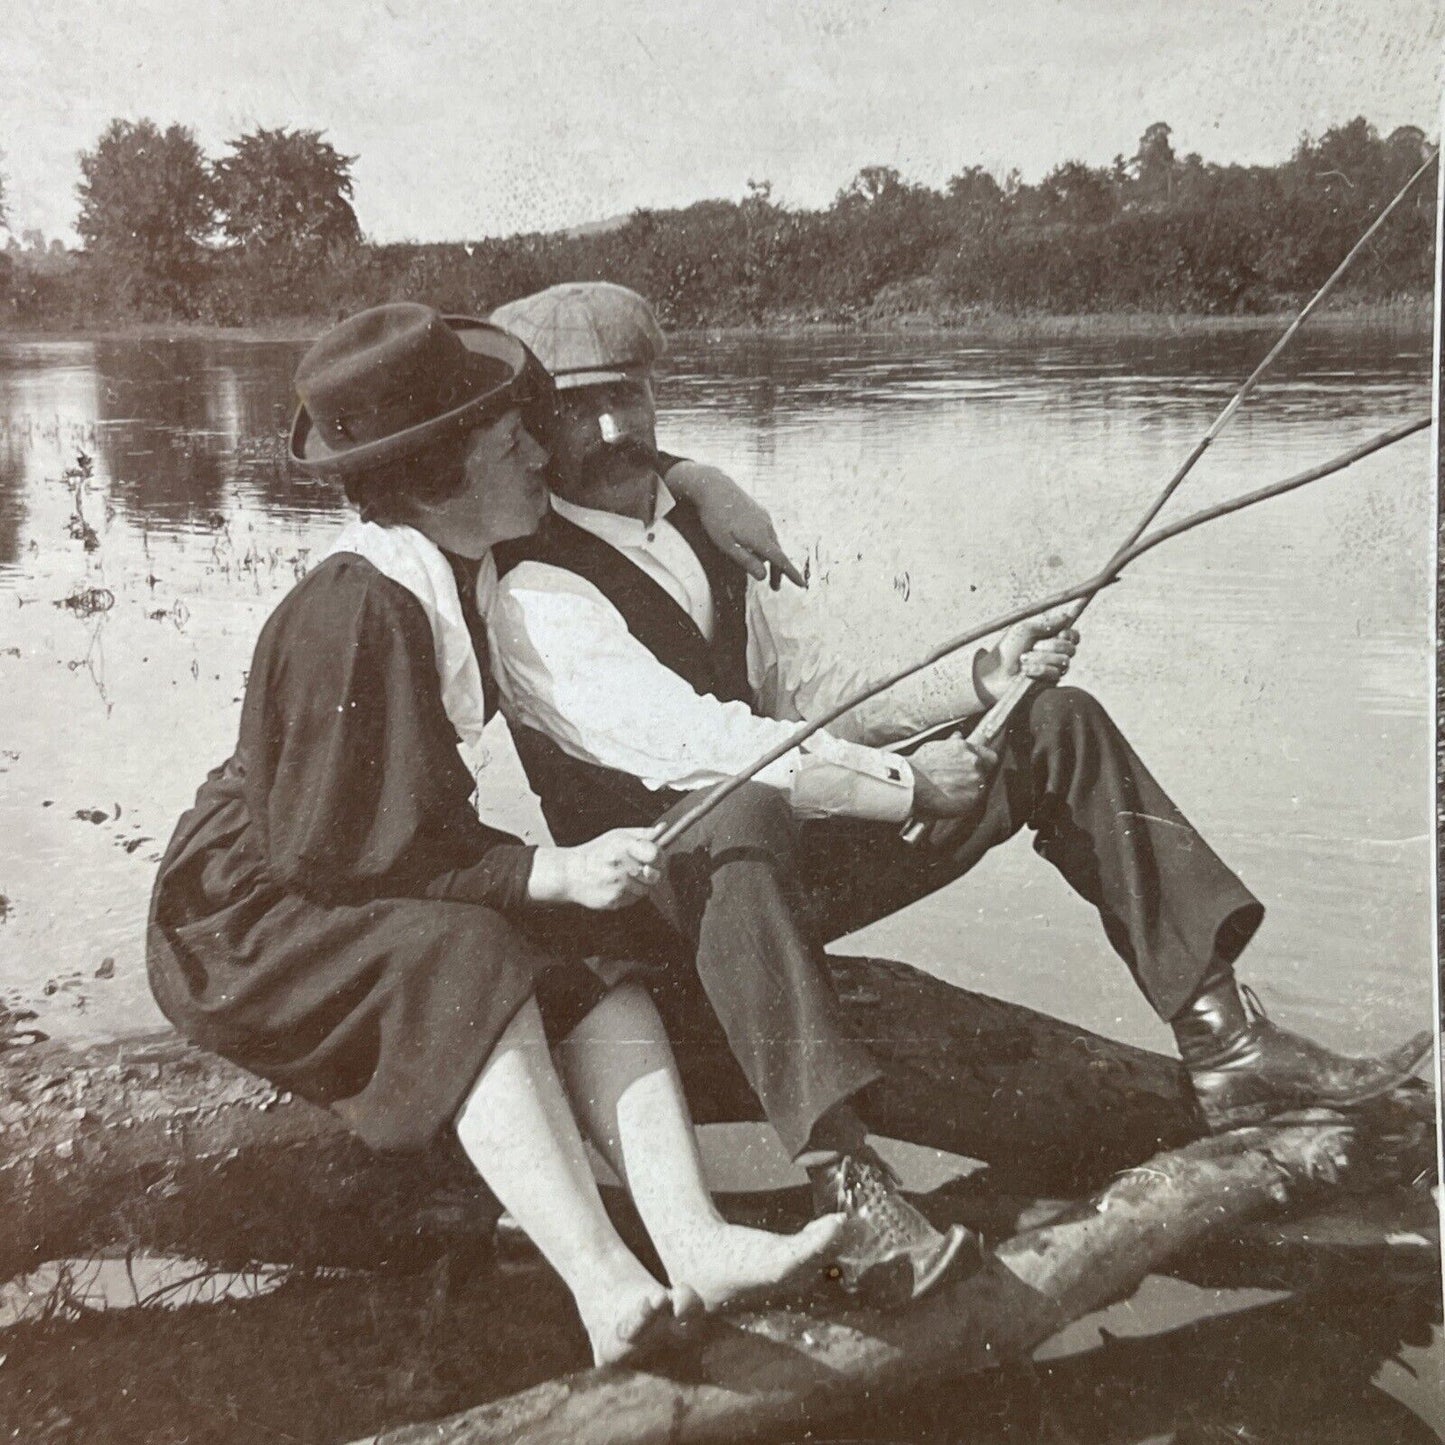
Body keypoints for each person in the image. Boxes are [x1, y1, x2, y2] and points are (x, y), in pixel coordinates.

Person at [484, 282, 1432, 1304]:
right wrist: (904, 789)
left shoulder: (701, 525)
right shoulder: (533, 590)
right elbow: (709, 744)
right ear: (535, 427)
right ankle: (844, 1173)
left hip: (785, 854)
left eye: (629, 393)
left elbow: (810, 694)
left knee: (1049, 723)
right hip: (662, 907)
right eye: (579, 406)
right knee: (737, 807)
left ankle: (1224, 1038)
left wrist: (980, 677)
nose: (614, 426)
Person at [145, 303, 846, 1371]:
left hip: (348, 855)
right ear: (438, 472)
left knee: (598, 956)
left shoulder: (454, 553)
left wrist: (703, 480)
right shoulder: (359, 606)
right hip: (253, 907)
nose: (539, 447)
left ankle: (694, 1238)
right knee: (472, 952)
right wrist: (538, 869)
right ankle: (604, 1283)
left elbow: (627, 474)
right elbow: (328, 854)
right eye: (509, 437)